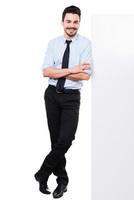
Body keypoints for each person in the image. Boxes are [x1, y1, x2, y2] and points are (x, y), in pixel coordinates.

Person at [34, 5, 93, 198]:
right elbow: (46, 72)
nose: (72, 25)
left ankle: (42, 172)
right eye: (68, 21)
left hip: (71, 98)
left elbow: (85, 76)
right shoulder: (53, 43)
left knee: (66, 139)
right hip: (52, 95)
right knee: (56, 141)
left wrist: (62, 70)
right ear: (62, 22)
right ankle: (62, 181)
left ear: (79, 23)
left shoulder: (85, 44)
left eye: (76, 22)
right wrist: (72, 69)